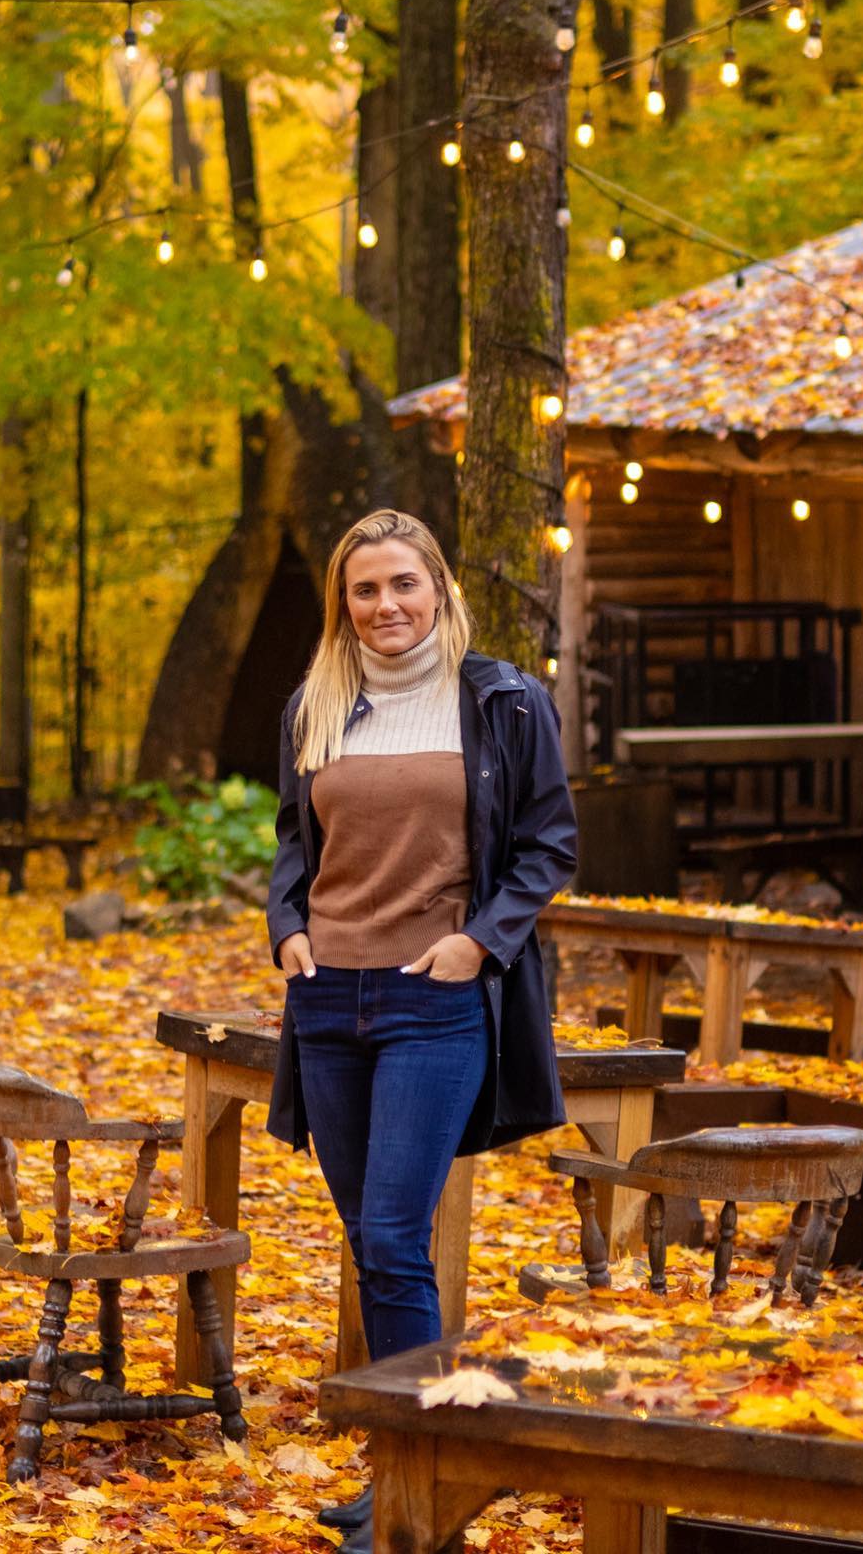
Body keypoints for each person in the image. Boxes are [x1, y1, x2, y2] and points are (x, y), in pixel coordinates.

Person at [265, 508, 577, 1551]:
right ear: (343, 606)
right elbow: (292, 846)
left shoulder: (500, 701)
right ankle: (407, 1465)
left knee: (398, 1240)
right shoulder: (317, 703)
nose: (386, 605)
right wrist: (288, 933)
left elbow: (547, 846)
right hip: (326, 1003)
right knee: (372, 1247)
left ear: (438, 586)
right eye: (365, 590)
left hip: (434, 1001)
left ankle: (426, 1472)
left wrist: (476, 945)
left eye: (404, 583)